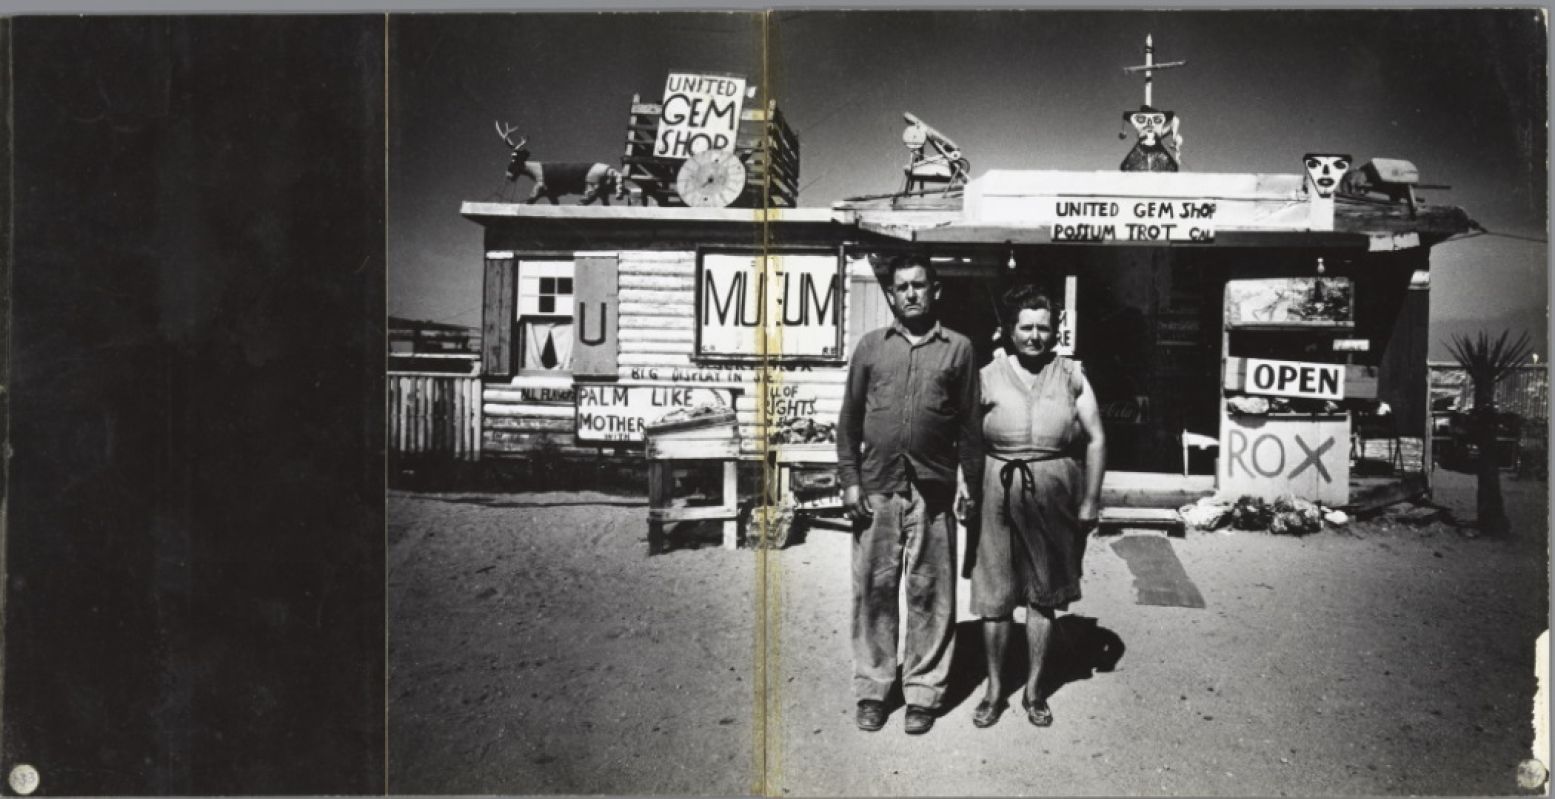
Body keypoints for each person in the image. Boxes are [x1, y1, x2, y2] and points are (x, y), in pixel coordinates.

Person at [836, 255, 982, 735]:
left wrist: (969, 482)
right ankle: (875, 689)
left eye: (920, 285)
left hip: (934, 490)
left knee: (930, 593)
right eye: (902, 287)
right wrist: (850, 479)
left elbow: (969, 427)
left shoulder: (958, 349)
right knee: (873, 591)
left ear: (935, 291)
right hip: (877, 489)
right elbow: (849, 421)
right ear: (892, 295)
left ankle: (924, 690)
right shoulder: (871, 347)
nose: (911, 294)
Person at [968, 284, 1106, 729]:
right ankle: (993, 689)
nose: (1034, 336)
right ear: (1009, 330)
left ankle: (1033, 690)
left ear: (1055, 331)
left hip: (1054, 488)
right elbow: (965, 438)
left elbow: (1097, 437)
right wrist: (961, 485)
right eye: (1025, 327)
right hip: (997, 488)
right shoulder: (986, 375)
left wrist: (1090, 500)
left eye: (1043, 328)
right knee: (995, 597)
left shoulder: (1072, 374)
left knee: (1042, 595)